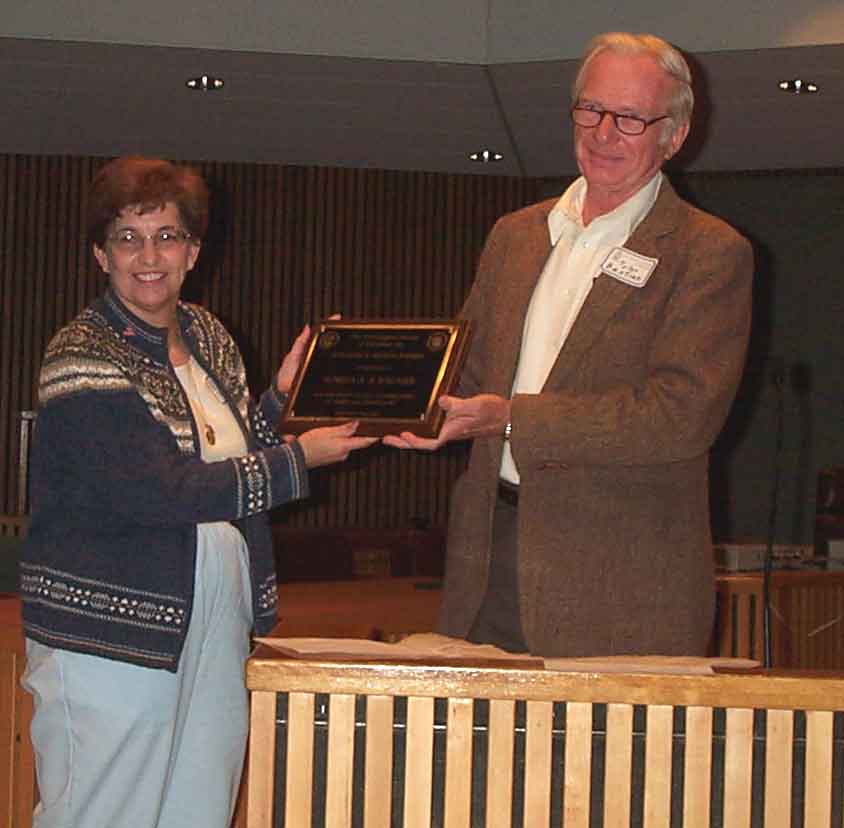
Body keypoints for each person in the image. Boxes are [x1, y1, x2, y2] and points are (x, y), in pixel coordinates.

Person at [19, 156, 376, 828]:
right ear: (101, 254)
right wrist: (301, 460)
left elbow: (229, 454)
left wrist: (282, 400)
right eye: (128, 237)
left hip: (212, 622)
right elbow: (160, 490)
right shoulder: (84, 352)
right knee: (102, 813)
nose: (149, 256)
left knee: (198, 810)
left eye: (168, 236)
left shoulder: (210, 336)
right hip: (112, 633)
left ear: (193, 251)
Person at [384, 32, 753, 658]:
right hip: (488, 556)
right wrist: (405, 398)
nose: (605, 132)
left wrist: (511, 419)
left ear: (674, 135)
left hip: (620, 582)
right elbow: (468, 372)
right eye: (591, 109)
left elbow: (681, 416)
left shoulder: (708, 252)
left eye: (632, 118)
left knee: (604, 760)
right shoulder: (515, 235)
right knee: (480, 756)